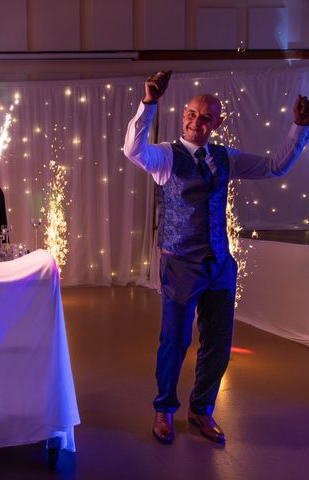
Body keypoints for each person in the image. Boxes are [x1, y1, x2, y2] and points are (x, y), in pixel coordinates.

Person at [123, 71, 309, 445]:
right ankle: (164, 409)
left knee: (219, 342)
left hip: (220, 265)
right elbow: (132, 150)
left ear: (217, 123)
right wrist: (149, 104)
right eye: (192, 114)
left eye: (205, 117)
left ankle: (201, 409)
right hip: (180, 264)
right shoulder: (164, 157)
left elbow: (276, 167)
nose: (196, 122)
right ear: (184, 116)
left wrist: (300, 128)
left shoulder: (226, 157)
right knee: (175, 341)